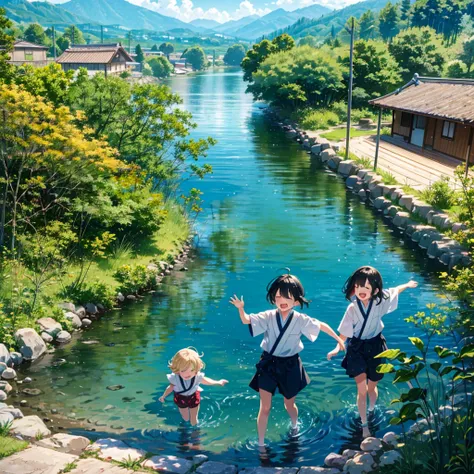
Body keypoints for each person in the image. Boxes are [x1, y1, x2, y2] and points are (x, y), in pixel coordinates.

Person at [230, 271, 345, 447]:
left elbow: (321, 325)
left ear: (296, 300)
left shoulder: (300, 319)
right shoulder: (268, 316)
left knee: (289, 404)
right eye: (277, 297)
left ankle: (294, 425)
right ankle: (261, 443)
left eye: (287, 297)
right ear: (273, 299)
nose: (282, 301)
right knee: (265, 407)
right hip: (268, 363)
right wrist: (240, 308)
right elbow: (246, 320)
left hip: (290, 364)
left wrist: (338, 340)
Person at [327, 266, 418, 437]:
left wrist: (407, 284)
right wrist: (337, 347)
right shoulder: (352, 309)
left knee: (372, 385)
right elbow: (344, 334)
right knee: (361, 389)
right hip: (357, 348)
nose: (361, 291)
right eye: (358, 286)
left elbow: (395, 290)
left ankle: (371, 409)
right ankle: (364, 425)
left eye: (366, 287)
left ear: (375, 290)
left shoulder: (381, 300)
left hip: (376, 346)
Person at [159, 347, 228, 426]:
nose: (188, 374)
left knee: (194, 419)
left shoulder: (196, 376)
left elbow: (206, 381)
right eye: (183, 370)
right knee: (185, 417)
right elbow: (170, 387)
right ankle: (185, 428)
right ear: (177, 369)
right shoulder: (175, 378)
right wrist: (163, 396)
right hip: (180, 398)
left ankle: (195, 432)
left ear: (196, 368)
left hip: (194, 396)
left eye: (191, 370)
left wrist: (218, 382)